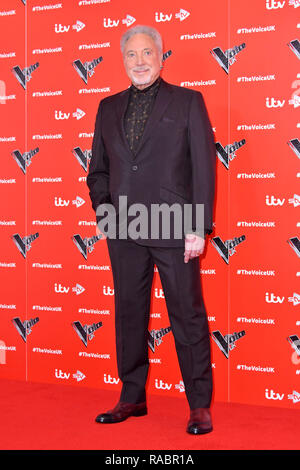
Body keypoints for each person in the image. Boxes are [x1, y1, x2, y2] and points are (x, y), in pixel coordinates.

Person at [86, 24, 216, 435]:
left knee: (187, 314)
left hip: (174, 226)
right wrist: (105, 213)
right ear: (122, 60)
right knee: (128, 313)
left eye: (146, 53)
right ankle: (132, 396)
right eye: (131, 55)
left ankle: (198, 405)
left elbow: (203, 168)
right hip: (123, 228)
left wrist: (197, 227)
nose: (139, 62)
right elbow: (98, 171)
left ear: (160, 57)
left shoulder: (189, 102)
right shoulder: (107, 107)